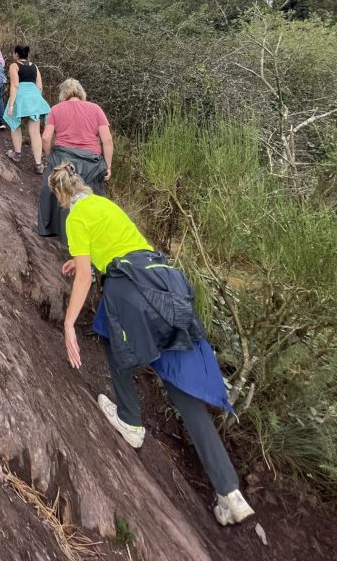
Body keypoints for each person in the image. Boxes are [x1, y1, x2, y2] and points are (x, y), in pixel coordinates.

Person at [49, 163, 255, 528]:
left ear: (61, 196)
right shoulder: (106, 206)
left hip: (131, 290)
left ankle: (130, 420)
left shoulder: (75, 216)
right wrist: (80, 258)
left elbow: (86, 276)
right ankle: (230, 492)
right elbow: (115, 248)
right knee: (183, 391)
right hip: (166, 283)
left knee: (109, 335)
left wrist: (68, 323)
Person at [38, 79, 113, 243]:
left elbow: (45, 138)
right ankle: (93, 237)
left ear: (63, 94)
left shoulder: (56, 109)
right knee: (91, 200)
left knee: (51, 192)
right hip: (91, 163)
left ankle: (51, 231)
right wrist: (108, 166)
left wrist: (52, 157)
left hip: (63, 158)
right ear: (81, 93)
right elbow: (107, 140)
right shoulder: (95, 109)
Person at [3, 45, 50, 173]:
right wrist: (36, 100)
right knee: (35, 132)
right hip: (34, 97)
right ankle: (38, 164)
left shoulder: (14, 66)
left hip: (21, 96)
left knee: (14, 125)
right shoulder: (34, 66)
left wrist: (12, 104)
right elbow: (39, 86)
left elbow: (15, 85)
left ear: (16, 54)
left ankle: (17, 154)